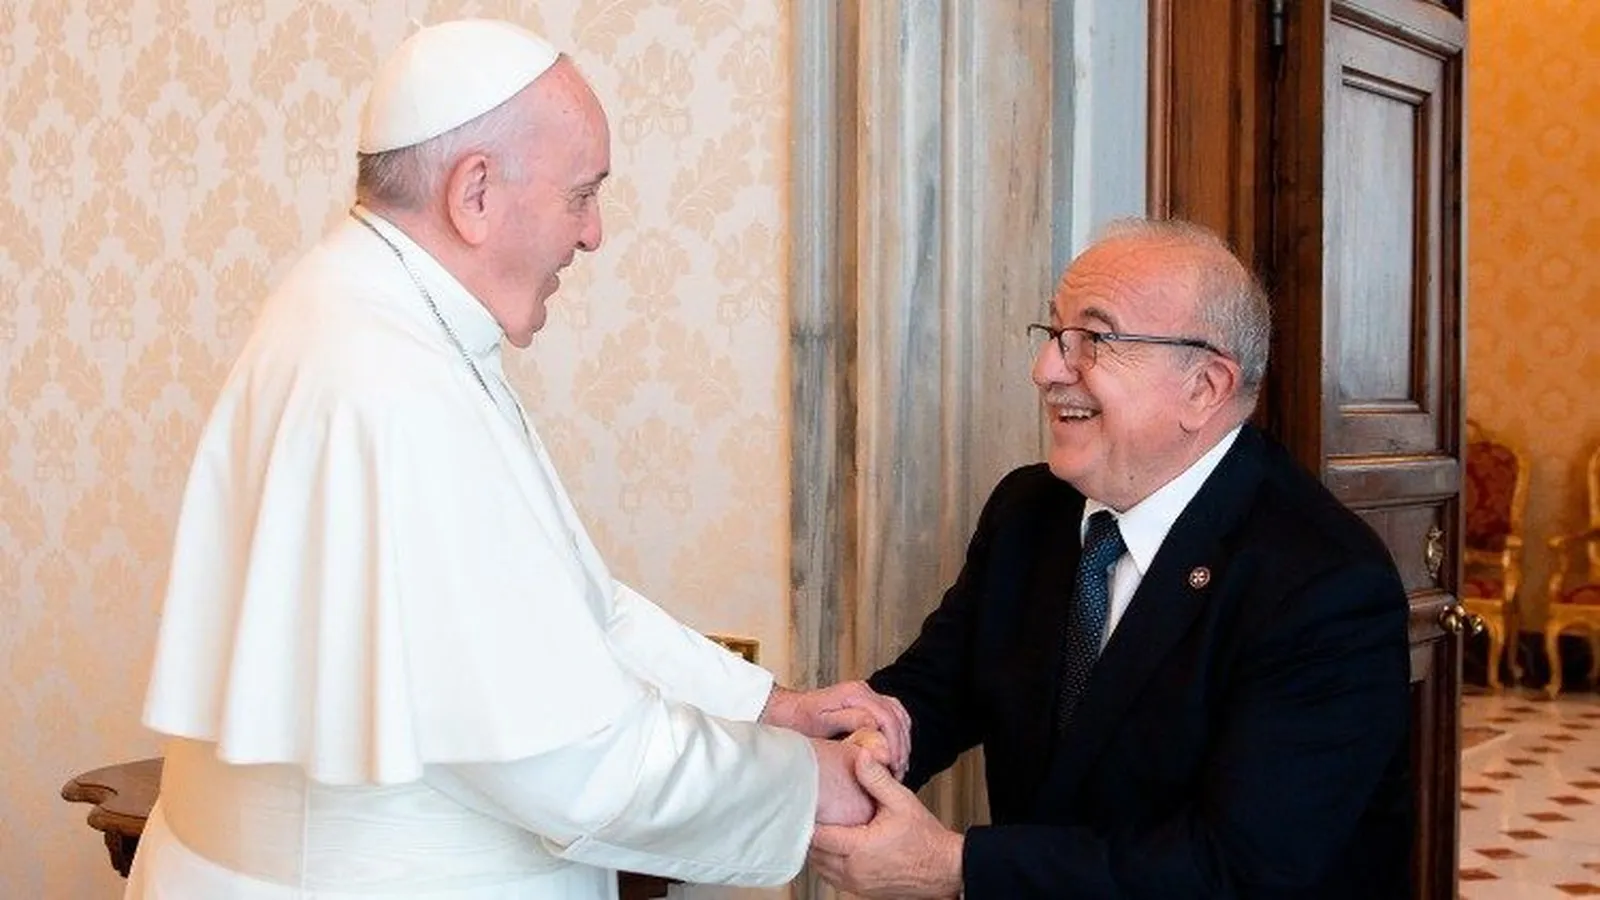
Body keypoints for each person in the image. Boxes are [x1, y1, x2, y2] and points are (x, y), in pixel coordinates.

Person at [127, 18, 909, 899]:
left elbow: (579, 603)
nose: (594, 234)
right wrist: (809, 786)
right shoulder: (391, 380)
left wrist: (766, 708)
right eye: (582, 195)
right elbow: (580, 765)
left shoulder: (374, 314)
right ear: (475, 193)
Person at [810, 219, 1412, 898]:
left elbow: (1239, 869)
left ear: (1204, 387)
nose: (1046, 370)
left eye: (1093, 340)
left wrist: (954, 866)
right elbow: (940, 686)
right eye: (1053, 334)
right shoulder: (1030, 509)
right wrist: (871, 747)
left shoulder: (1324, 583)